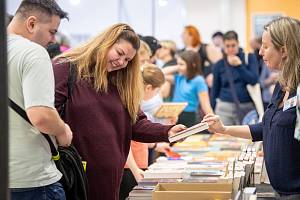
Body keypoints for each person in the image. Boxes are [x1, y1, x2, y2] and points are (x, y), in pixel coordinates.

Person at [53, 23, 185, 200]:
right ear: (105, 43)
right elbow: (47, 113)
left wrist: (168, 131)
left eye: (128, 60)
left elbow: (136, 124)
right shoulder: (67, 69)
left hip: (110, 179)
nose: (121, 62)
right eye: (120, 53)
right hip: (73, 174)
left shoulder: (121, 81)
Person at [203, 17, 300, 198]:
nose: (260, 52)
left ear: (284, 50)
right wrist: (224, 129)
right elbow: (265, 128)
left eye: (266, 46)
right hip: (280, 191)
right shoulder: (282, 85)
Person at [7, 0, 72, 199]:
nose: (53, 39)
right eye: (52, 31)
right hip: (31, 179)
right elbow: (41, 115)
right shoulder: (33, 52)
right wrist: (63, 131)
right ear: (32, 23)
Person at [119, 64, 173, 200]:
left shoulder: (135, 102)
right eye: (157, 91)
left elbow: (142, 133)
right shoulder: (130, 101)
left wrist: (156, 144)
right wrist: (134, 168)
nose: (156, 95)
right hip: (129, 165)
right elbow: (123, 140)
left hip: (137, 163)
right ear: (148, 88)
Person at [211, 30, 259, 125]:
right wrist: (211, 111)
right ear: (223, 46)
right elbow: (214, 90)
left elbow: (254, 80)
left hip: (246, 106)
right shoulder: (219, 65)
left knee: (247, 138)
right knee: (223, 138)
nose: (230, 49)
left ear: (238, 44)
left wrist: (239, 66)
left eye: (233, 45)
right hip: (224, 107)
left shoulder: (249, 58)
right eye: (227, 46)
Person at [162, 50, 214, 127]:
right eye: (178, 64)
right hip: (174, 114)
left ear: (192, 65)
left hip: (188, 116)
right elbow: (161, 73)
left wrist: (213, 121)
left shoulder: (199, 81)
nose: (179, 67)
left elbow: (205, 104)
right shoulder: (180, 77)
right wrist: (178, 66)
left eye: (181, 64)